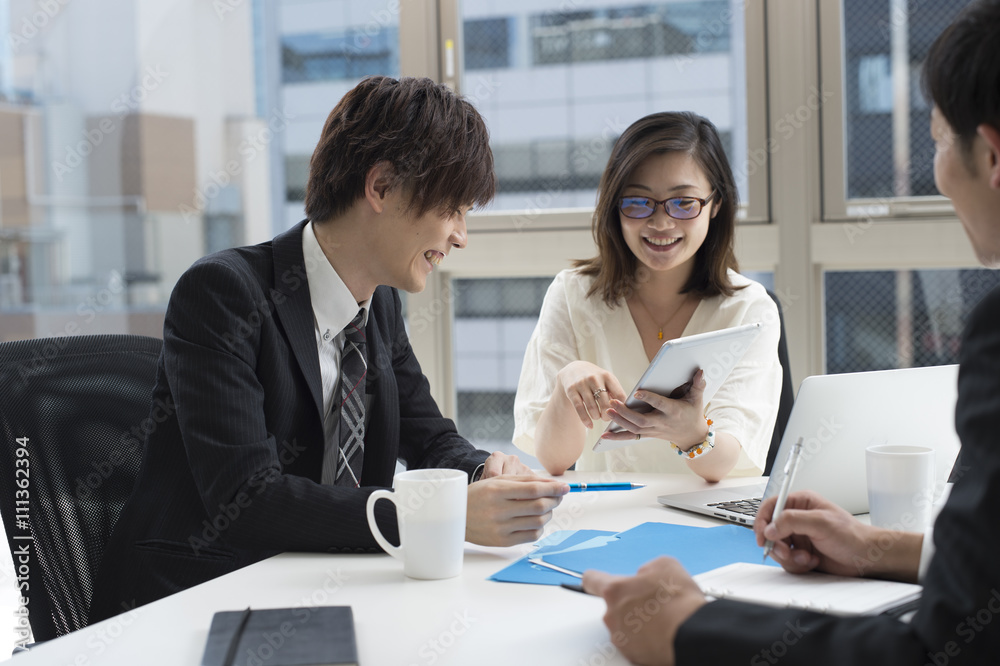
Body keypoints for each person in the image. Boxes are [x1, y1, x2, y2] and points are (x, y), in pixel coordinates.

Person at [581, 1, 1000, 663]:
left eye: (940, 142)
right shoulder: (573, 297)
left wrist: (688, 629)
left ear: (993, 155)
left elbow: (940, 646)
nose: (939, 172)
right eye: (639, 201)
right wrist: (875, 547)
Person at [88, 76, 569, 624]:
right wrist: (441, 516)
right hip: (196, 604)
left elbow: (430, 438)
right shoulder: (224, 294)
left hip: (323, 589)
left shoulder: (380, 306)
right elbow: (248, 498)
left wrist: (486, 474)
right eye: (452, 209)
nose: (461, 235)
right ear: (382, 188)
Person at [513, 112, 782, 481]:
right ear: (614, 207)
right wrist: (566, 382)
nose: (660, 223)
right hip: (606, 520)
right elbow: (554, 460)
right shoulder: (572, 293)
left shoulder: (750, 310)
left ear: (715, 204)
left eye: (683, 202)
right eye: (638, 202)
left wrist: (691, 432)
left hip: (707, 522)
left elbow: (728, 463)